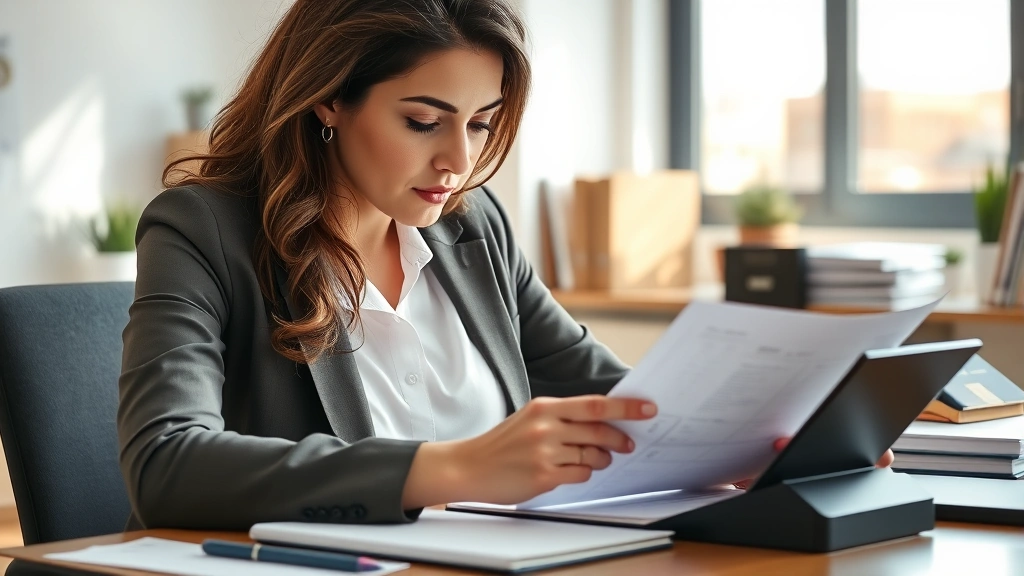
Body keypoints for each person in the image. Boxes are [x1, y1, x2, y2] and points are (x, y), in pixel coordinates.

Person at [118, 0, 893, 531]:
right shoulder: (204, 228)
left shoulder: (471, 228)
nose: (459, 160)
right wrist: (453, 469)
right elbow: (166, 463)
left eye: (481, 124)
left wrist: (758, 437)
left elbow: (611, 397)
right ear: (327, 101)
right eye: (423, 121)